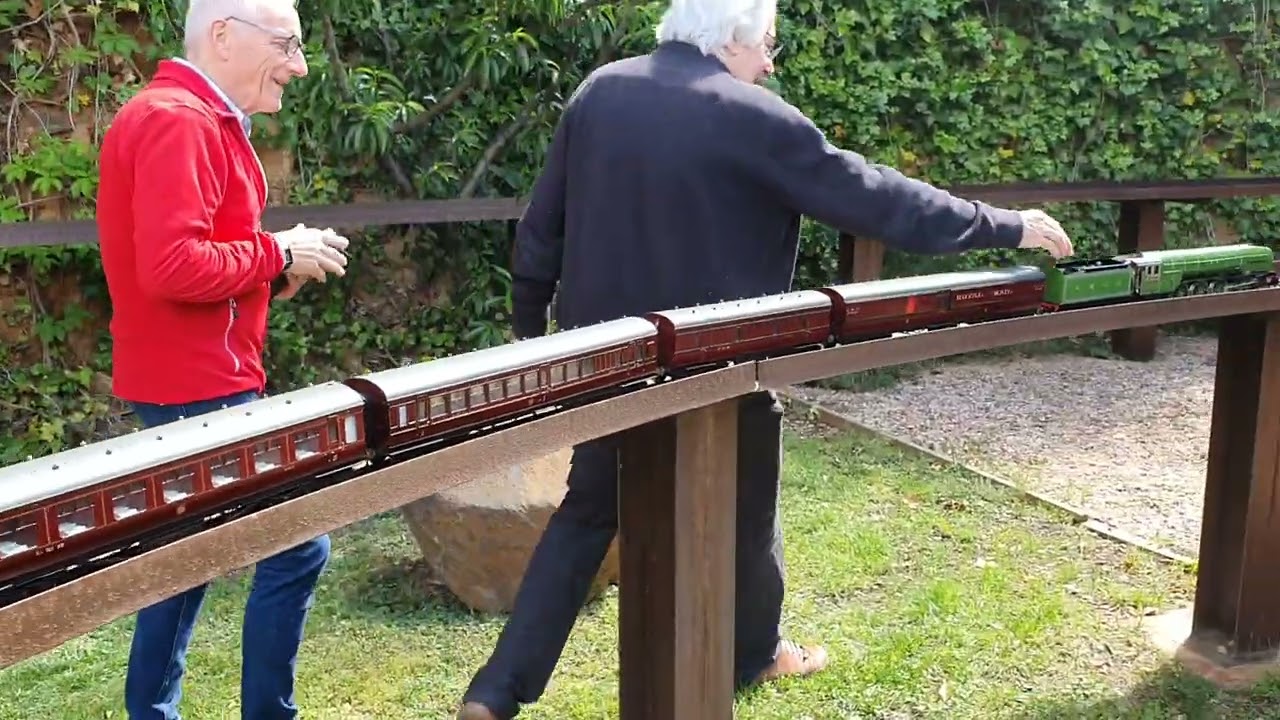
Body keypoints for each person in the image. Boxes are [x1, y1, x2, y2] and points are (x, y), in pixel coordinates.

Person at [456, 0, 1074, 717]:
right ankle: (754, 654)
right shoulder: (753, 116)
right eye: (768, 46)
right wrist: (1008, 226)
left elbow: (542, 225)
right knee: (747, 503)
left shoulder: (601, 91)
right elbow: (878, 198)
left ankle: (496, 693)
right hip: (716, 365)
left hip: (606, 364)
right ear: (733, 39)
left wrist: (533, 331)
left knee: (590, 512)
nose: (770, 64)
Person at [94, 0, 350, 717]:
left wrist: (273, 271)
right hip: (195, 387)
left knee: (184, 563)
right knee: (295, 546)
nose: (299, 66)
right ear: (223, 37)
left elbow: (196, 262)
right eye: (288, 45)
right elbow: (171, 267)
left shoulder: (182, 114)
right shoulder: (177, 120)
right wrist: (275, 251)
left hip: (193, 380)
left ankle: (154, 711)